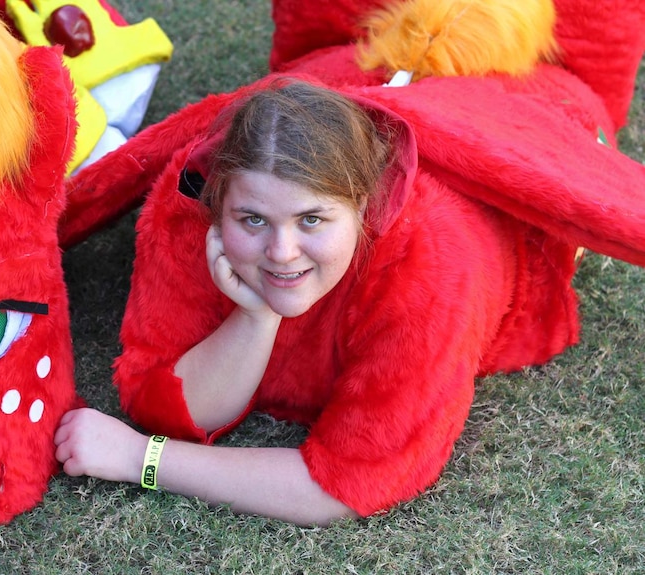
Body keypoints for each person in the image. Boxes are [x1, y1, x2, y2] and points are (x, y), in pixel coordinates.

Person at [54, 79, 582, 526]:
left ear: (365, 207)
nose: (282, 254)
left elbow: (347, 483)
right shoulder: (185, 213)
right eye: (253, 219)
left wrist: (141, 458)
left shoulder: (429, 266)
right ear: (218, 207)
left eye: (312, 219)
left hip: (528, 141)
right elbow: (163, 401)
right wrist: (256, 314)